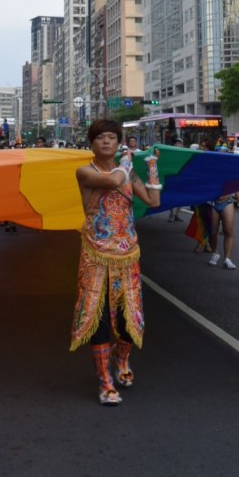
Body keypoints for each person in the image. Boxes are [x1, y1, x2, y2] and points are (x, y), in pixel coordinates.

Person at [70, 118, 160, 405]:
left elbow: (153, 200)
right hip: (96, 253)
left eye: (112, 137)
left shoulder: (129, 173)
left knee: (129, 316)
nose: (106, 141)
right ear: (92, 143)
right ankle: (104, 380)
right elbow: (112, 181)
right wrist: (126, 161)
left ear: (118, 141)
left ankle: (122, 362)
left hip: (127, 253)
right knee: (98, 317)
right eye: (101, 138)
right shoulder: (85, 171)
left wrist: (153, 167)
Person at [207, 186, 239, 270]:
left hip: (227, 202)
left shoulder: (229, 173)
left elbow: (236, 187)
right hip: (213, 203)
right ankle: (214, 253)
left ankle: (227, 259)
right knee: (212, 233)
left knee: (228, 231)